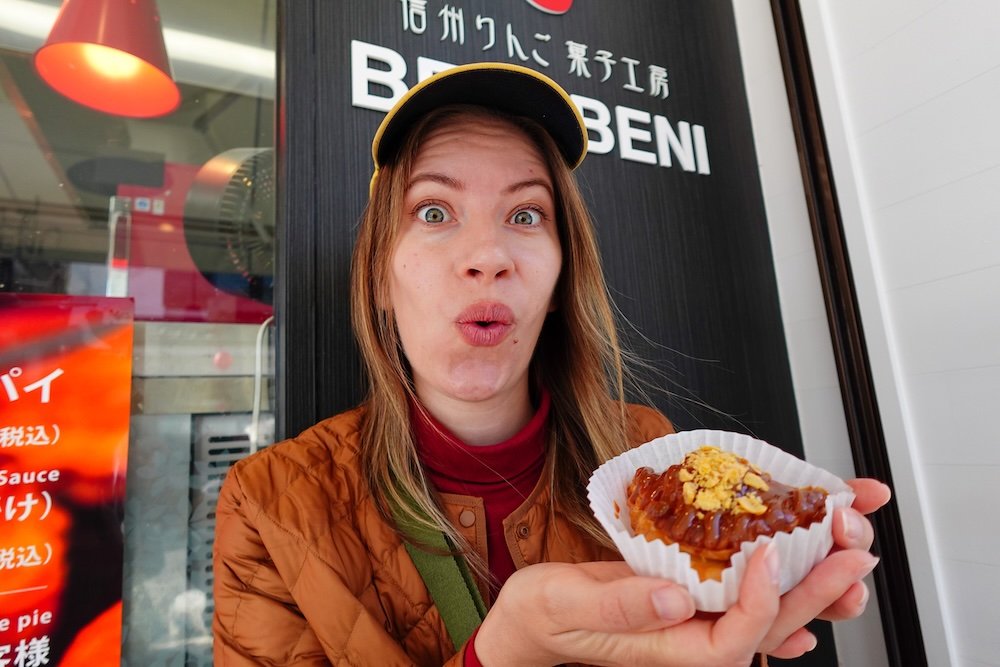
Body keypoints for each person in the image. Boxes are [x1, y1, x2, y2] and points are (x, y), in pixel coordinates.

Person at [212, 62, 889, 666]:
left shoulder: (651, 455)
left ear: (564, 276)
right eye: (435, 210)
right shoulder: (270, 503)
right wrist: (500, 655)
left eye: (527, 215)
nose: (489, 255)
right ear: (380, 279)